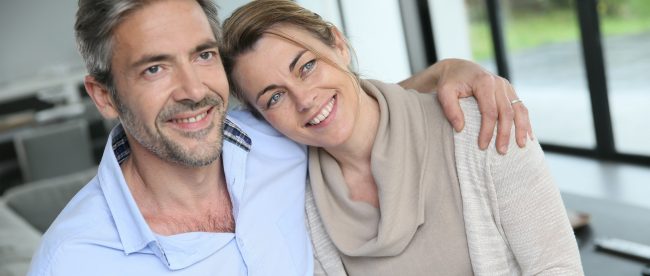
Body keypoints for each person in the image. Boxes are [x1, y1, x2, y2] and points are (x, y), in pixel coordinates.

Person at [28, 0, 532, 275]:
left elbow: (342, 103)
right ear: (105, 96)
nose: (193, 91)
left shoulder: (276, 137)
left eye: (203, 55)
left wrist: (448, 71)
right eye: (155, 68)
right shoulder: (74, 261)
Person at [221, 0, 584, 275]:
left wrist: (446, 69)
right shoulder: (297, 202)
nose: (304, 99)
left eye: (307, 66)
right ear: (262, 118)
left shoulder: (480, 124)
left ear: (338, 44)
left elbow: (556, 267)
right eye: (274, 97)